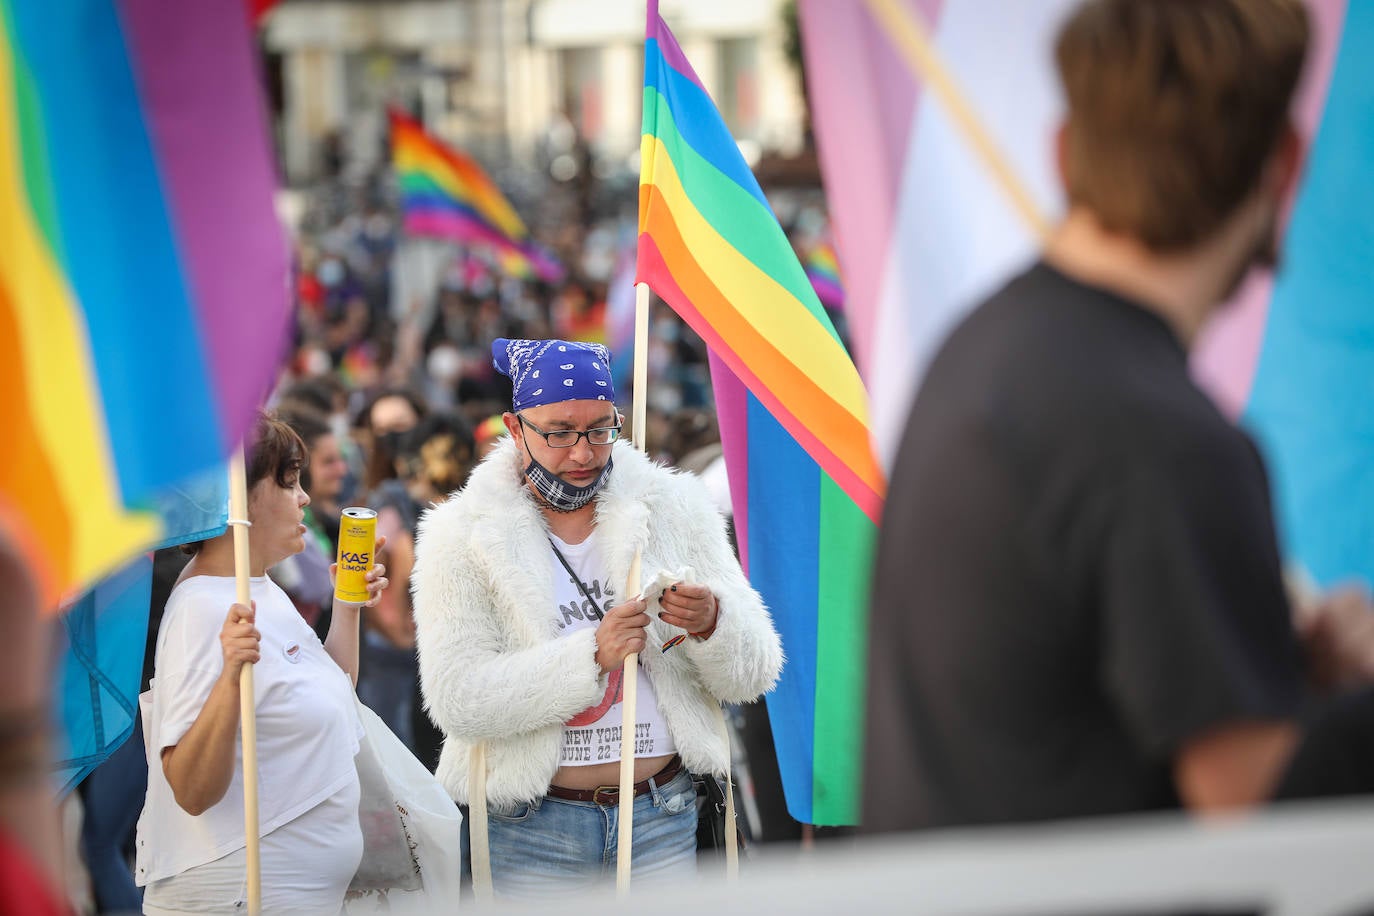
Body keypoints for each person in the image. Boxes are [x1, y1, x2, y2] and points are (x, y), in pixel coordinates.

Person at [864, 0, 1374, 834]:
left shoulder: (982, 352)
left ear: (1063, 154)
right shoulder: (1162, 437)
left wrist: (1281, 669)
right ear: (1285, 164)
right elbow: (1252, 807)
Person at [412, 338, 782, 898]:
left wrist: (713, 622)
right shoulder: (459, 533)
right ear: (515, 429)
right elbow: (457, 700)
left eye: (599, 429)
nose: (582, 452)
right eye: (559, 432)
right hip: (531, 828)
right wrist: (591, 654)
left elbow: (755, 674)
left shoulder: (675, 506)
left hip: (665, 815)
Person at [135, 412, 389, 913]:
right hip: (240, 892)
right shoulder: (203, 606)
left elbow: (334, 689)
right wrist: (230, 677)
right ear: (240, 501)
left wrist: (347, 605)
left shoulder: (258, 586)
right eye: (289, 482)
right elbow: (189, 788)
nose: (305, 498)